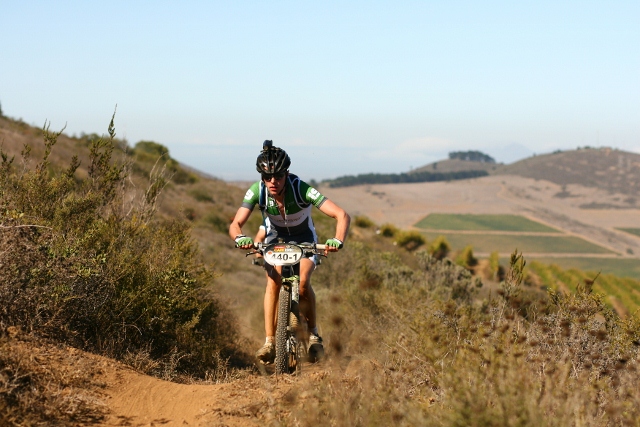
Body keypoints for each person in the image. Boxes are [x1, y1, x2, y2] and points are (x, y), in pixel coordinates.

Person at [229, 140, 351, 364]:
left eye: (278, 176)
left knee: (303, 282)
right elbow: (236, 224)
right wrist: (240, 238)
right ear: (262, 177)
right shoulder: (257, 191)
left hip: (305, 239)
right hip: (276, 240)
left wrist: (337, 239)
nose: (273, 182)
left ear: (286, 173)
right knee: (273, 281)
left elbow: (341, 215)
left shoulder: (300, 188)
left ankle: (313, 334)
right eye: (267, 177)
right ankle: (269, 341)